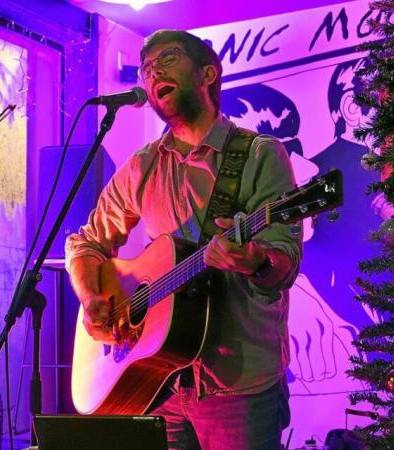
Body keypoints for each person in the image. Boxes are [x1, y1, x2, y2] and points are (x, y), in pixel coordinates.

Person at [65, 30, 302, 449]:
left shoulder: (261, 154)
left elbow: (282, 262)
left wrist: (254, 261)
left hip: (238, 385)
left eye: (168, 58)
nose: (152, 70)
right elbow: (85, 244)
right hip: (160, 381)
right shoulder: (143, 166)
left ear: (208, 73)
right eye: (146, 68)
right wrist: (90, 296)